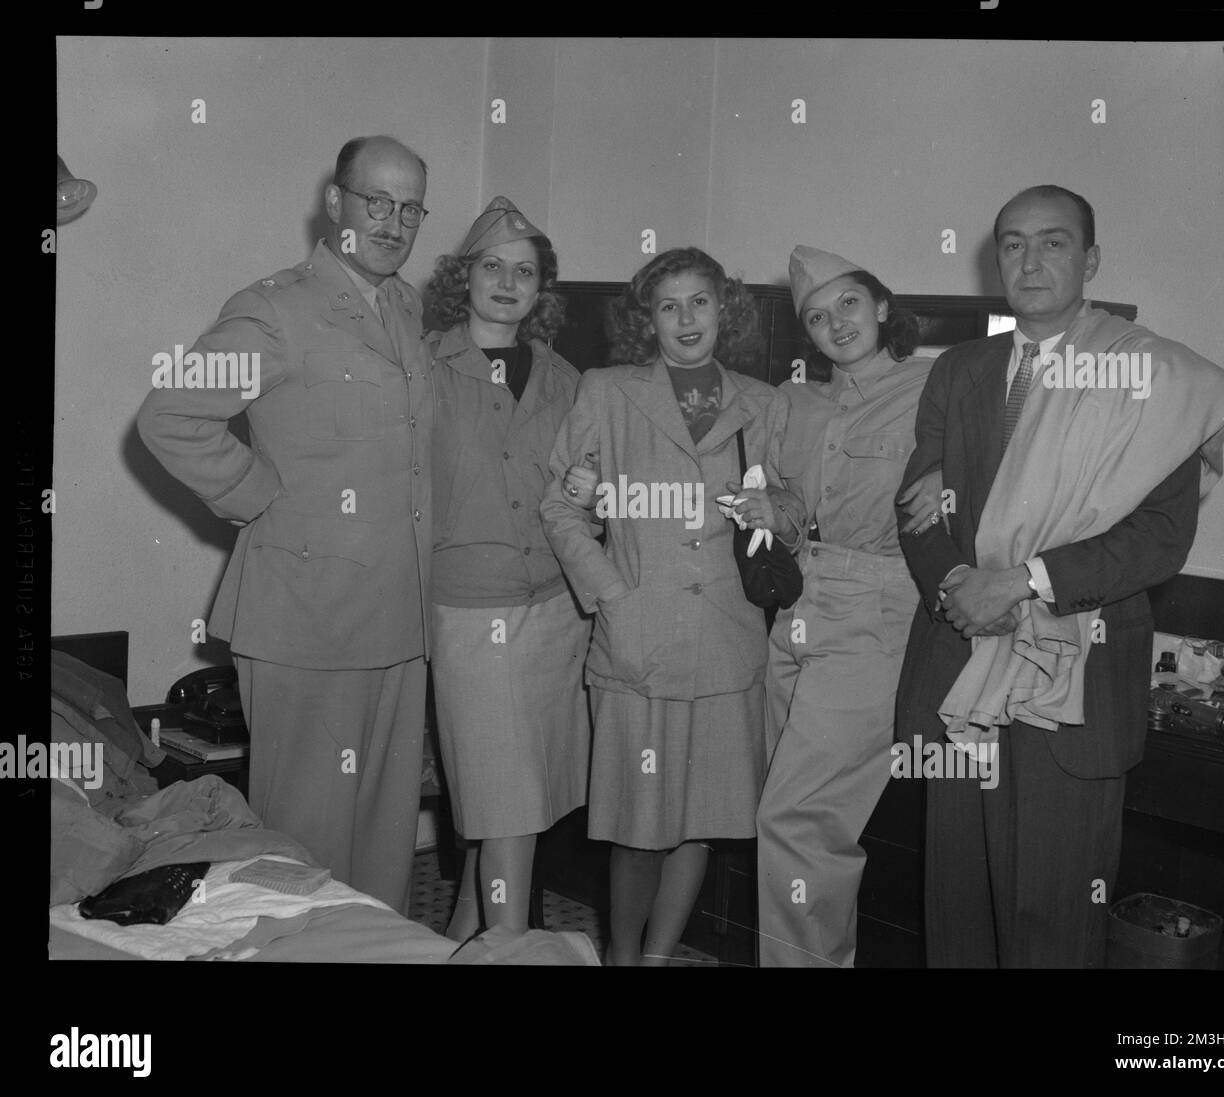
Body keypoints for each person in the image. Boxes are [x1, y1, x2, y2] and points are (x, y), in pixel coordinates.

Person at [893, 184, 1224, 967]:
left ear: (1091, 259)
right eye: (1013, 243)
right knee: (958, 908)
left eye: (1053, 242)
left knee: (1052, 919)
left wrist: (1021, 581)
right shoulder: (960, 371)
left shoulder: (1152, 378)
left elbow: (1159, 539)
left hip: (1076, 671)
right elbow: (920, 509)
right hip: (961, 667)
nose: (1030, 259)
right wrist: (957, 587)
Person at [136, 135, 434, 913]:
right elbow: (170, 415)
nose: (393, 223)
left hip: (399, 620)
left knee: (384, 842)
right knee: (305, 850)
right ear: (334, 203)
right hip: (307, 619)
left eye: (410, 208)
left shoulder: (406, 306)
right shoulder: (275, 309)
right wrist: (259, 496)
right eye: (377, 202)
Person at [542, 247, 805, 965]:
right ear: (646, 320)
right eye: (668, 305)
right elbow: (563, 511)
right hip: (637, 642)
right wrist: (613, 595)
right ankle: (622, 957)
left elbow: (795, 509)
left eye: (700, 302)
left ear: (726, 309)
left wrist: (775, 507)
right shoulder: (605, 391)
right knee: (637, 826)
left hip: (727, 646)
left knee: (701, 821)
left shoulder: (765, 400)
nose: (686, 319)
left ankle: (658, 957)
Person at [756, 246, 936, 967]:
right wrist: (771, 505)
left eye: (849, 304)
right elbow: (794, 508)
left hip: (878, 607)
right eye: (817, 316)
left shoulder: (937, 385)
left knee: (798, 820)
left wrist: (950, 464)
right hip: (795, 601)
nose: (836, 323)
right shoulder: (795, 401)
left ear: (883, 305)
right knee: (798, 824)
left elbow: (1005, 456)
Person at [423, 196, 591, 940]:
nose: (507, 282)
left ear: (541, 289)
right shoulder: (425, 366)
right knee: (507, 798)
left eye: (524, 271)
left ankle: (464, 935)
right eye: (491, 266)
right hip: (469, 609)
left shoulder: (568, 379)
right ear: (465, 277)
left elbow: (585, 488)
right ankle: (509, 949)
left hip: (557, 608)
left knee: (516, 799)